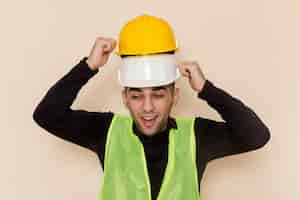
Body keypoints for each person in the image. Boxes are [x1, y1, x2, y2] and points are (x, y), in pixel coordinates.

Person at [33, 15, 270, 200]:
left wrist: (207, 89)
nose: (147, 107)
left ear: (174, 96)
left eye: (158, 95)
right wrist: (88, 66)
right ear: (124, 97)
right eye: (136, 96)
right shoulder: (107, 132)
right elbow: (46, 115)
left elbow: (256, 136)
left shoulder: (196, 137)